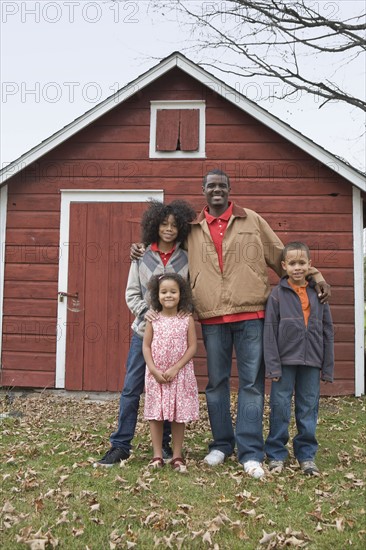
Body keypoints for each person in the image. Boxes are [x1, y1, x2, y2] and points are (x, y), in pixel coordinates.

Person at [131, 169, 330, 478]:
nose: (217, 190)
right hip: (212, 317)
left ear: (229, 188)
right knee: (216, 384)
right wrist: (141, 249)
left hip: (252, 315)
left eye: (222, 185)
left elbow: (282, 256)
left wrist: (314, 274)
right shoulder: (192, 228)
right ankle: (221, 445)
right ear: (203, 190)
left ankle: (250, 451)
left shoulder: (251, 220)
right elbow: (166, 248)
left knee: (251, 384)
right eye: (211, 186)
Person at [95, 199, 196, 466]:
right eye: (164, 224)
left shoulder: (187, 256)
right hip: (145, 334)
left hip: (175, 338)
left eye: (174, 225)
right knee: (131, 388)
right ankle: (120, 444)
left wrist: (186, 313)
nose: (169, 229)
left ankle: (164, 447)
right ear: (155, 225)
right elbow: (131, 292)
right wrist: (145, 312)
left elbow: (191, 291)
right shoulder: (142, 256)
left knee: (169, 390)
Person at [263, 242, 334, 475]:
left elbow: (327, 330)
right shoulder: (276, 295)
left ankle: (306, 454)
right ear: (284, 266)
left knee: (308, 407)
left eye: (301, 263)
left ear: (309, 265)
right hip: (284, 361)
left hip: (312, 360)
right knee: (280, 406)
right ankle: (275, 453)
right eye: (292, 263)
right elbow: (270, 332)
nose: (297, 267)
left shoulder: (318, 294)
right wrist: (272, 366)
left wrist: (327, 366)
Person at [143, 273, 199, 472]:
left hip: (179, 375)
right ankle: (157, 455)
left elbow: (192, 347)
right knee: (156, 415)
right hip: (156, 374)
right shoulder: (153, 319)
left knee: (178, 415)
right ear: (157, 295)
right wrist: (152, 369)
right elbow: (146, 346)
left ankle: (177, 456)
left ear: (181, 295)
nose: (168, 296)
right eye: (164, 292)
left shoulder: (186, 319)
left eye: (173, 292)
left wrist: (176, 367)